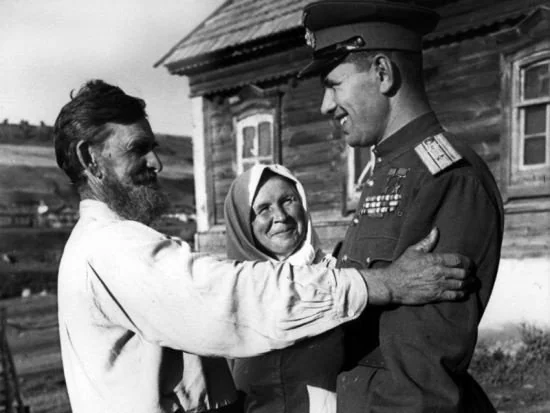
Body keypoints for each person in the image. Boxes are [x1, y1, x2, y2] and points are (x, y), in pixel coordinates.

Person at [53, 79, 473, 413]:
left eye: (154, 149)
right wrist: (382, 284)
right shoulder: (112, 249)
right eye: (137, 150)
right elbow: (230, 299)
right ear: (90, 159)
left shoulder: (105, 245)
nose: (157, 164)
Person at [298, 1, 505, 412]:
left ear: (382, 72)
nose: (325, 105)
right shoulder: (393, 167)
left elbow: (421, 375)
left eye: (334, 84)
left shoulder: (446, 177)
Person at [224, 164, 342, 413]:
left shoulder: (338, 275)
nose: (280, 216)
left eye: (288, 201)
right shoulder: (229, 290)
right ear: (242, 223)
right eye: (263, 209)